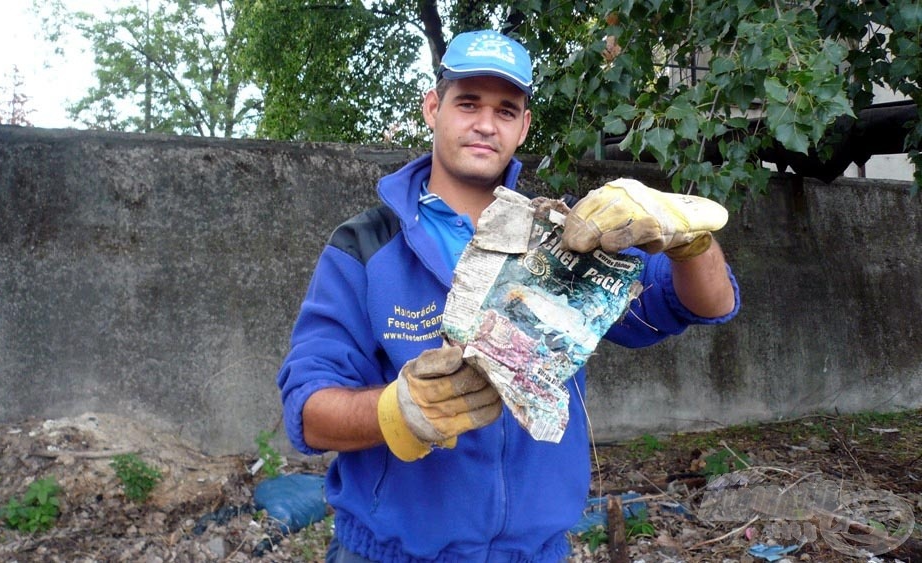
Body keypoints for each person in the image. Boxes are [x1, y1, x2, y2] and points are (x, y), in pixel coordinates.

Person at [276, 29, 739, 562]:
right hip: (388, 553)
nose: (484, 124)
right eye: (467, 102)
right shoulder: (363, 247)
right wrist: (394, 411)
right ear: (433, 108)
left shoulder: (567, 239)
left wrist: (688, 240)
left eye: (505, 109)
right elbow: (306, 407)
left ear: (523, 126)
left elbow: (705, 303)